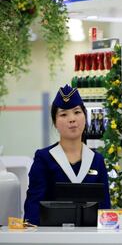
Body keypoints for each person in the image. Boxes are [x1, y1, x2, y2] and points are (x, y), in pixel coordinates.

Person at [24, 85, 111, 225]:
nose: (72, 119)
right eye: (64, 114)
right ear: (55, 122)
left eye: (77, 112)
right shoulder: (44, 158)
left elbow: (105, 209)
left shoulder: (96, 160)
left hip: (91, 239)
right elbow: (33, 207)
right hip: (52, 238)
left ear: (85, 116)